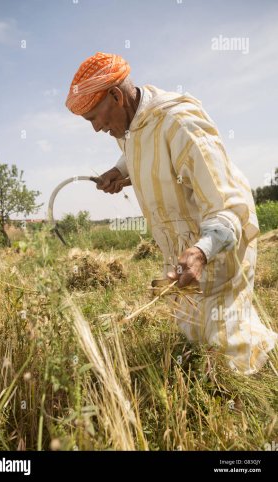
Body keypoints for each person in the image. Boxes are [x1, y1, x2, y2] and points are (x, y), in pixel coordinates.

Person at [65, 51, 278, 375]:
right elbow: (141, 148)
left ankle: (263, 378)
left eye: (94, 117)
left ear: (115, 95)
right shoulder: (132, 124)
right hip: (185, 248)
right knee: (192, 332)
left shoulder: (180, 122)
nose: (96, 128)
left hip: (217, 244)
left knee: (226, 343)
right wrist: (120, 172)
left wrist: (201, 251)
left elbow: (229, 206)